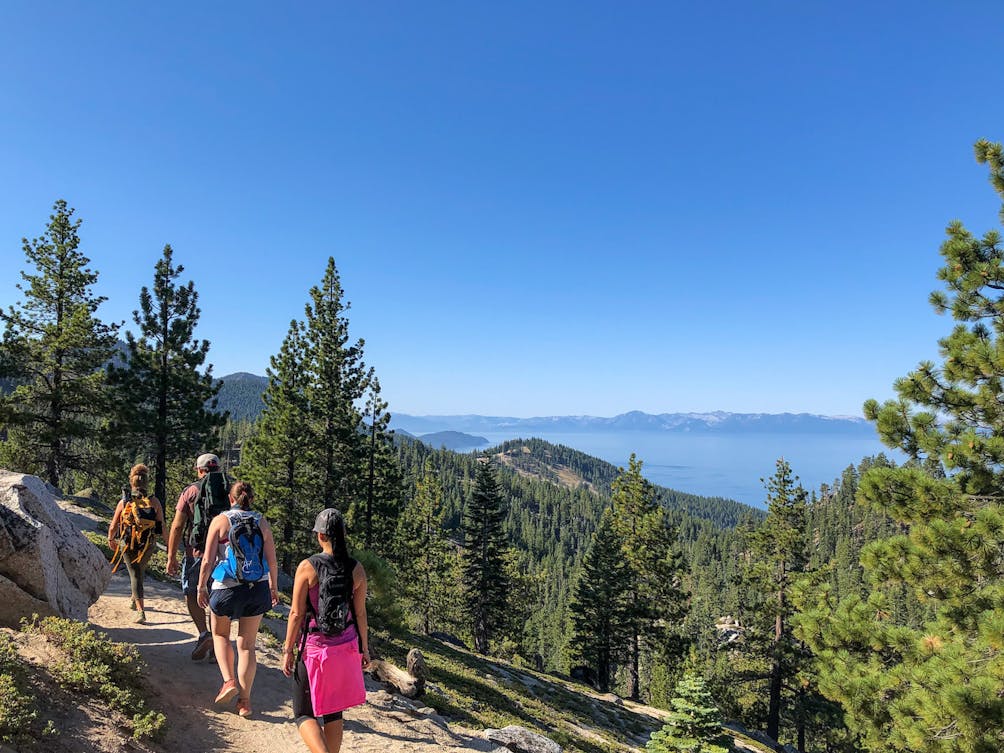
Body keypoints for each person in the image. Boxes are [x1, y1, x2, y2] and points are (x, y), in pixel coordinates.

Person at [283, 508, 370, 753]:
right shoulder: (356, 569)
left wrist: (288, 649)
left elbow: (296, 614)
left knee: (303, 713)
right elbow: (361, 613)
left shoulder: (307, 567)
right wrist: (364, 649)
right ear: (343, 534)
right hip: (345, 648)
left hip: (314, 649)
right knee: (333, 713)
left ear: (320, 535)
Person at [197, 480, 279, 717]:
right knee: (247, 646)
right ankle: (245, 702)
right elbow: (272, 560)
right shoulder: (261, 522)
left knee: (221, 634)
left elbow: (207, 560)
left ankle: (228, 681)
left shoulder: (221, 521)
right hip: (257, 588)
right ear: (250, 499)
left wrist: (202, 587)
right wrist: (273, 587)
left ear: (230, 499)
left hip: (226, 588)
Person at [166, 453, 229, 660]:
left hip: (197, 553)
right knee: (216, 596)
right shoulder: (230, 490)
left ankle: (204, 634)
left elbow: (177, 526)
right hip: (224, 555)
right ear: (218, 469)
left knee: (192, 593)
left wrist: (171, 556)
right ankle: (218, 640)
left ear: (199, 470)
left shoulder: (190, 491)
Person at [107, 463, 165, 625]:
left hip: (128, 542)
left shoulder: (124, 502)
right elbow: (161, 526)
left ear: (132, 482)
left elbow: (114, 525)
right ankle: (134, 598)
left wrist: (111, 539)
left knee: (135, 574)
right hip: (148, 543)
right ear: (146, 483)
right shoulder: (155, 502)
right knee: (139, 571)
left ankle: (141, 611)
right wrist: (170, 549)